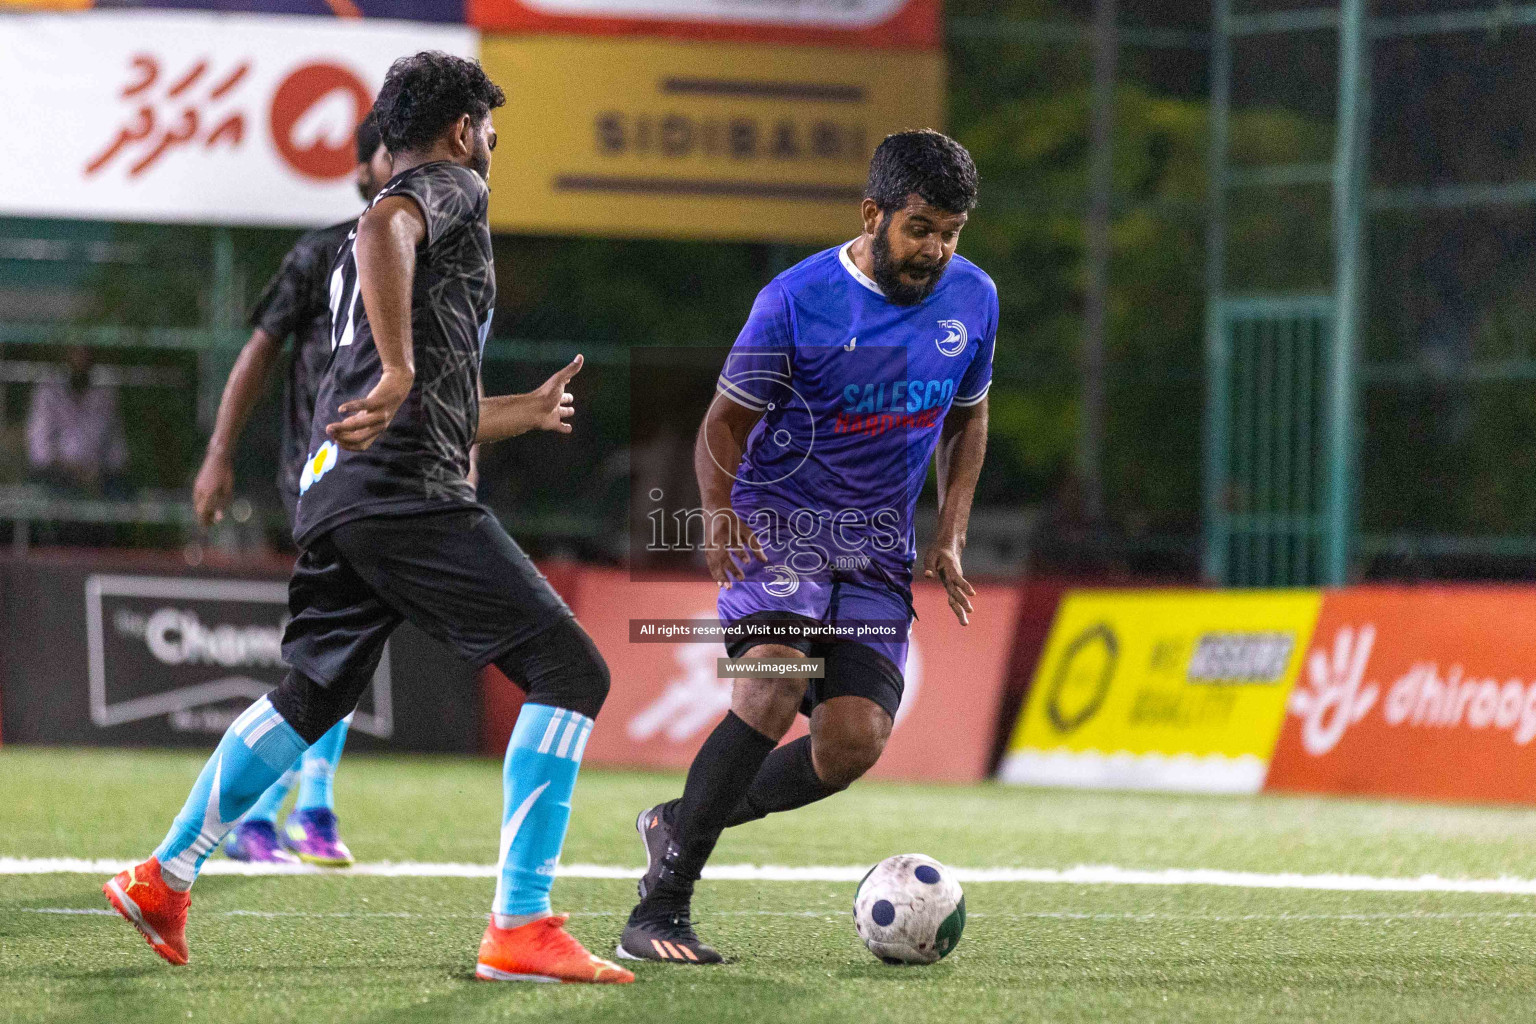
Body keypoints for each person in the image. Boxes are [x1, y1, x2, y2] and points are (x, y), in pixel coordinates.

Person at [103, 51, 633, 985]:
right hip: (405, 493)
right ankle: (521, 925)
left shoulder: (366, 240)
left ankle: (165, 874)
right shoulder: (441, 189)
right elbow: (393, 237)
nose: (493, 147)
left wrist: (519, 410)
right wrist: (398, 369)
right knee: (570, 670)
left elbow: (420, 397)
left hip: (343, 491)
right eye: (491, 130)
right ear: (465, 128)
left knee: (309, 695)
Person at [618, 130, 995, 964]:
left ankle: (678, 823)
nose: (936, 249)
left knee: (851, 744)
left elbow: (969, 417)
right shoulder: (794, 300)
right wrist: (717, 514)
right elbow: (723, 422)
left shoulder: (974, 298)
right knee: (772, 685)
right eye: (922, 228)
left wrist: (951, 530)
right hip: (779, 522)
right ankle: (661, 908)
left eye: (951, 232)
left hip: (877, 550)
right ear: (874, 214)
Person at [188, 112, 394, 869]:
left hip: (387, 477)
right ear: (364, 169)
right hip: (319, 477)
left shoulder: (421, 253)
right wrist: (217, 455)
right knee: (337, 644)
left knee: (347, 646)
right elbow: (256, 356)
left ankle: (286, 812)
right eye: (389, 152)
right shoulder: (320, 255)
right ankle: (289, 810)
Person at [26, 345, 129, 495]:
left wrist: (99, 471)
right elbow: (39, 447)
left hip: (100, 475)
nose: (81, 358)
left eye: (85, 352)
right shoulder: (48, 390)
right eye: (76, 352)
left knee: (122, 495)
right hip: (56, 474)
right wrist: (70, 469)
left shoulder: (106, 391)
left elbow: (115, 446)